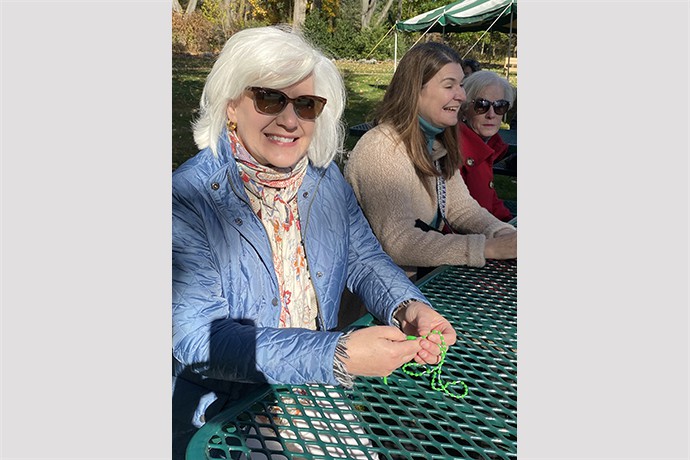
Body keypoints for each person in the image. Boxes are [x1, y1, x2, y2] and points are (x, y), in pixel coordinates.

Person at [172, 25, 457, 458]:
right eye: (269, 98)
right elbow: (196, 337)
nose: (290, 120)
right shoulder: (187, 197)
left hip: (313, 390)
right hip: (224, 414)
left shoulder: (323, 178)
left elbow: (362, 255)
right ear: (231, 105)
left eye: (306, 104)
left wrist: (407, 305)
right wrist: (335, 354)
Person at [344, 42, 517, 280]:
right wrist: (487, 248)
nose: (462, 96)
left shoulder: (436, 141)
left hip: (414, 282)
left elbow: (461, 208)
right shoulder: (382, 148)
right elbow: (400, 242)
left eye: (462, 86)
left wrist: (504, 233)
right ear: (415, 91)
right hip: (375, 301)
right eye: (449, 86)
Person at [457, 70, 516, 221]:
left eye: (500, 106)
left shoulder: (487, 147)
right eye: (481, 105)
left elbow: (490, 201)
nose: (491, 114)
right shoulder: (455, 152)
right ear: (463, 110)